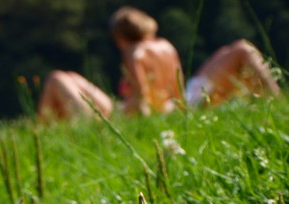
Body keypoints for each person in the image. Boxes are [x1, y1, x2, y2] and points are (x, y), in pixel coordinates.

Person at [37, 6, 281, 122]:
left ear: (120, 37)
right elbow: (176, 87)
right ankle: (277, 100)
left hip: (153, 112)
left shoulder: (133, 51)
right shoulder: (165, 45)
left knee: (58, 77)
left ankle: (43, 133)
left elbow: (144, 100)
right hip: (183, 100)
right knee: (239, 48)